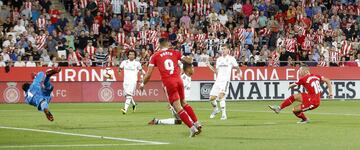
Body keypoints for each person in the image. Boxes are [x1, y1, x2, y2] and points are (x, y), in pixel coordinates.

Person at [141, 38, 201, 137]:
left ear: (159, 45)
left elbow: (148, 75)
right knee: (184, 103)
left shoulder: (155, 56)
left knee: (177, 107)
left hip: (169, 82)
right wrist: (190, 63)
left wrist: (142, 84)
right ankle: (197, 123)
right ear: (168, 44)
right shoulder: (175, 52)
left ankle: (192, 128)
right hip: (179, 80)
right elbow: (188, 60)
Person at [268, 66, 333, 123]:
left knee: (295, 110)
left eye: (300, 71)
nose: (299, 72)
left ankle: (305, 119)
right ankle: (278, 108)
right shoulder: (316, 76)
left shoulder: (304, 79)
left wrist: (290, 86)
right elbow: (328, 80)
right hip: (310, 96)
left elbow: (293, 85)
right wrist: (330, 93)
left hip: (313, 102)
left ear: (306, 71)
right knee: (294, 97)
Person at [148, 61, 194, 125]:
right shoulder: (182, 78)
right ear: (187, 69)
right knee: (185, 119)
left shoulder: (188, 77)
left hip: (181, 104)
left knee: (178, 121)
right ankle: (194, 123)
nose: (193, 70)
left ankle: (157, 121)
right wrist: (171, 102)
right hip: (178, 104)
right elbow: (174, 90)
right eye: (192, 68)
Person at [208, 45, 240, 120]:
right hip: (218, 80)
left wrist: (238, 73)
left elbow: (237, 67)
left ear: (228, 50)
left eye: (224, 49)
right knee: (211, 98)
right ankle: (216, 109)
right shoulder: (219, 59)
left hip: (225, 81)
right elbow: (216, 72)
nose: (223, 50)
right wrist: (209, 66)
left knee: (221, 96)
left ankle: (224, 114)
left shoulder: (231, 59)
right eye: (222, 49)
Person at [118, 50, 145, 114]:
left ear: (135, 56)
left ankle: (125, 109)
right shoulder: (124, 62)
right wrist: (119, 72)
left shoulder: (137, 63)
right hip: (126, 81)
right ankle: (134, 104)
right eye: (130, 54)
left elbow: (141, 71)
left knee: (129, 95)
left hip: (133, 81)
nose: (131, 56)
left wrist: (141, 78)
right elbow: (120, 68)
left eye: (133, 54)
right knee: (126, 95)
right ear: (128, 55)